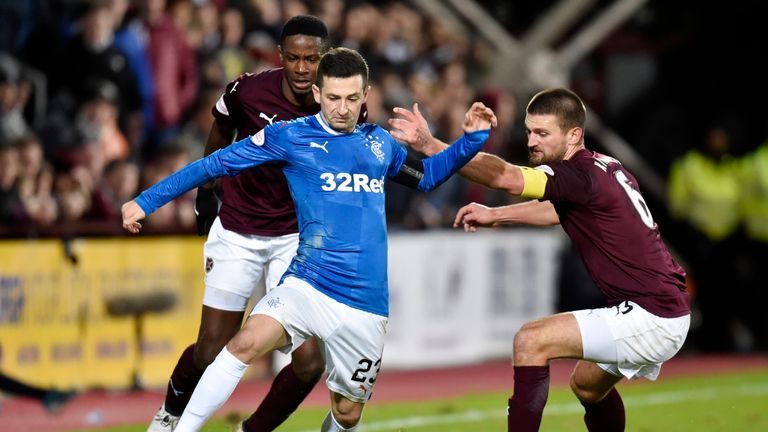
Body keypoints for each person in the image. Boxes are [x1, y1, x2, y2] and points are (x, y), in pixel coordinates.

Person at [122, 47, 496, 432]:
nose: (342, 108)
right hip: (307, 282)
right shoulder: (289, 136)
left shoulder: (378, 144)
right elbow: (215, 163)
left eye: (352, 99)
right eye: (333, 97)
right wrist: (144, 202)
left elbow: (429, 176)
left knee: (348, 413)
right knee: (244, 343)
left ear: (366, 96)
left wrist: (471, 140)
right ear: (317, 94)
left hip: (366, 305)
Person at [389, 88, 690, 431]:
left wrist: (433, 147)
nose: (532, 141)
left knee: (531, 341)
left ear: (574, 134)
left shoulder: (578, 175)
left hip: (651, 313)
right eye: (530, 131)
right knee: (587, 385)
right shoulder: (602, 167)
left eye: (543, 133)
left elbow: (504, 176)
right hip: (664, 308)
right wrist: (497, 216)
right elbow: (555, 210)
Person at [146, 15, 339, 432]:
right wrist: (205, 189)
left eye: (312, 59)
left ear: (325, 59)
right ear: (280, 57)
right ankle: (169, 417)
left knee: (308, 363)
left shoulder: (340, 104)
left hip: (296, 240)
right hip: (238, 232)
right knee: (211, 351)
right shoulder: (248, 90)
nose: (303, 69)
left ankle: (251, 430)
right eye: (295, 58)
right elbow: (221, 127)